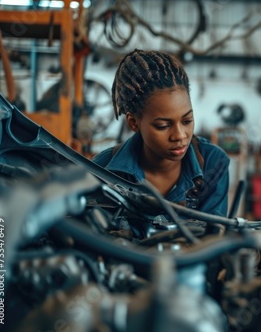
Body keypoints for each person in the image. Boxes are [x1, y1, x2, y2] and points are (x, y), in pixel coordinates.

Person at [92, 49, 230, 217]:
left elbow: (215, 235)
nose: (179, 135)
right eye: (163, 126)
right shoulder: (103, 169)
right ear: (134, 123)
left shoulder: (212, 163)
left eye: (187, 121)